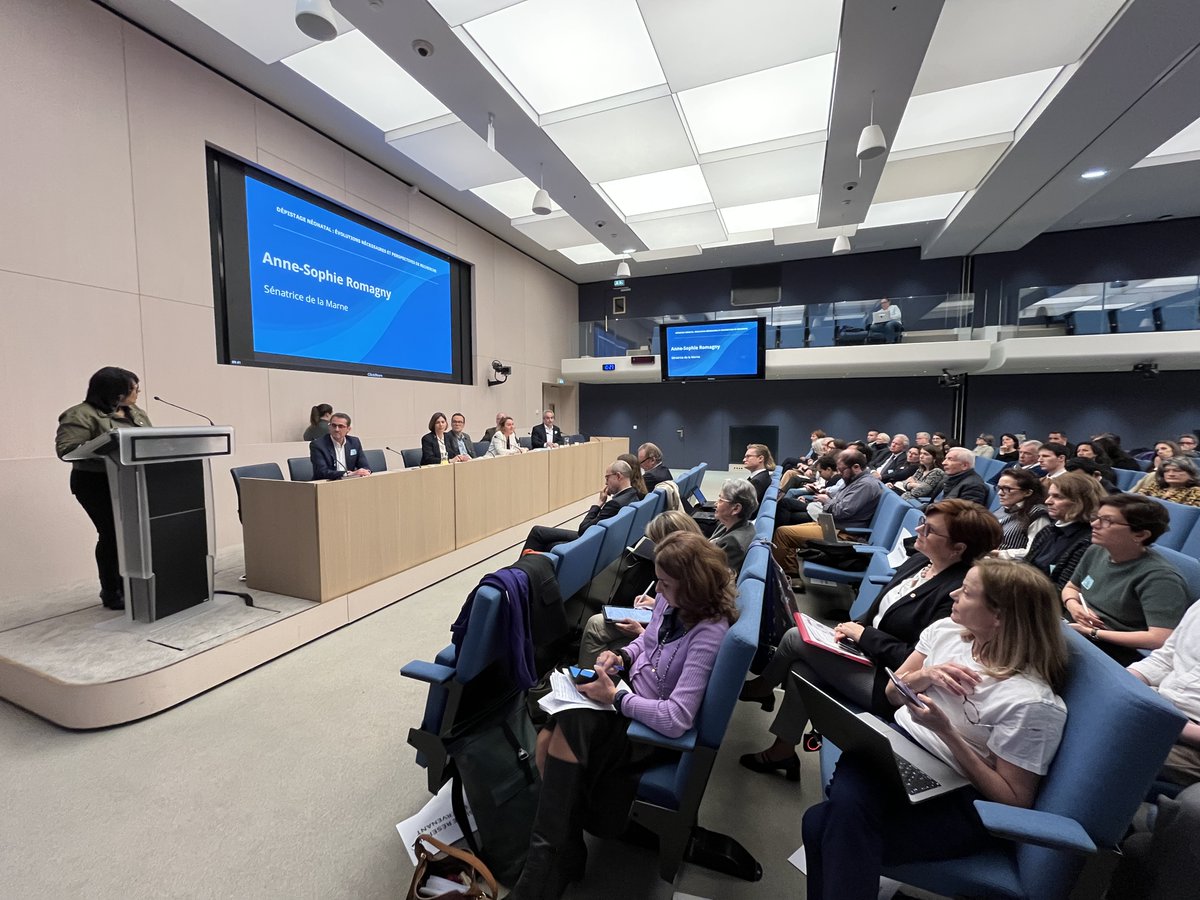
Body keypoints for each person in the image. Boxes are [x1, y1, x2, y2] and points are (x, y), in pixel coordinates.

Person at [801, 558, 1070, 900]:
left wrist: (947, 732)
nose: (954, 593)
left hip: (957, 794)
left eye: (968, 592)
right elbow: (891, 694)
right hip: (894, 747)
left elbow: (1013, 799)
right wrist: (924, 676)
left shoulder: (1032, 702)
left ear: (999, 617)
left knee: (820, 824)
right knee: (833, 821)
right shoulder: (946, 632)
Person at [511, 531, 738, 899]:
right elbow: (646, 644)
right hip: (629, 702)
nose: (658, 593)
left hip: (649, 732)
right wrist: (622, 658)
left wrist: (615, 697)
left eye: (665, 583)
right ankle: (562, 853)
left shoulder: (709, 632)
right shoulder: (671, 604)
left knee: (568, 724)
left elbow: (677, 718)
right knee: (547, 736)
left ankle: (542, 874)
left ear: (694, 585)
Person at [739, 499, 1001, 779]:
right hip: (863, 654)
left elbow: (917, 657)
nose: (918, 529)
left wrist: (864, 634)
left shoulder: (956, 595)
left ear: (958, 548)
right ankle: (783, 751)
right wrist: (854, 625)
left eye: (930, 530)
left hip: (891, 682)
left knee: (795, 639)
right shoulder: (919, 562)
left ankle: (762, 688)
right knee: (803, 670)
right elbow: (879, 608)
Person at [55, 366, 153, 610]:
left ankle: (135, 585)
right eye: (133, 389)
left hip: (132, 480)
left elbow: (150, 439)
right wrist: (109, 450)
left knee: (135, 535)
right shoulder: (79, 414)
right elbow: (67, 451)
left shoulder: (135, 412)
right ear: (116, 392)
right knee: (111, 534)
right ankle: (112, 591)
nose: (137, 393)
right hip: (96, 483)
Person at [1061, 493, 1190, 665]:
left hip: (1110, 648)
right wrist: (1074, 605)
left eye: (1107, 521)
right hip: (1075, 627)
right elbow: (1071, 587)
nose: (1094, 524)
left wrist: (1091, 632)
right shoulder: (1097, 550)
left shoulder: (1161, 578)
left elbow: (1160, 638)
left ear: (1140, 535)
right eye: (1096, 517)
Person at [576, 511, 702, 667]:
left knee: (596, 626)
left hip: (652, 644)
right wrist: (654, 604)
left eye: (656, 544)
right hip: (653, 631)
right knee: (596, 624)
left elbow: (670, 649)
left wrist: (640, 632)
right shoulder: (682, 574)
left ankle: (590, 681)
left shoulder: (694, 594)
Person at [771, 450, 884, 576]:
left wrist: (826, 501)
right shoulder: (854, 481)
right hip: (831, 524)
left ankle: (785, 576)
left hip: (842, 533)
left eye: (842, 470)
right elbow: (838, 503)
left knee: (783, 534)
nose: (840, 474)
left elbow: (840, 511)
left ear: (856, 467)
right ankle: (790, 573)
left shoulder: (865, 485)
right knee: (784, 529)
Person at [1128, 600, 1200, 787]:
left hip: (1191, 741)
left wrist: (1178, 726)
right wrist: (1122, 683)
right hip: (1160, 707)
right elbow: (1165, 659)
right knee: (1084, 717)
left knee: (1116, 745)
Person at [521, 460, 639, 553]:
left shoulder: (615, 504)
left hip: (593, 542)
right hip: (605, 540)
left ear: (618, 476)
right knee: (540, 533)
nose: (606, 483)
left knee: (538, 534)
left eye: (607, 478)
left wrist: (598, 503)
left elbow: (583, 529)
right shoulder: (633, 494)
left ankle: (517, 573)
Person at [1023, 471, 1107, 589]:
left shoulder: (1089, 541)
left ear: (1081, 502)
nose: (1048, 501)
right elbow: (1025, 567)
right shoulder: (1048, 529)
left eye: (1058, 497)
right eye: (1050, 495)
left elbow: (1062, 589)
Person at [993, 467, 1049, 556]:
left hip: (1008, 566)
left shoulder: (1037, 514)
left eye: (1007, 489)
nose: (1000, 493)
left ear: (1028, 493)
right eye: (999, 488)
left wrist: (997, 554)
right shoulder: (1005, 507)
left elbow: (1033, 551)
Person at [710, 479, 758, 573]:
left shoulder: (733, 543)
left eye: (720, 500)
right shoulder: (726, 525)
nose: (715, 504)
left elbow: (715, 577)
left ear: (736, 508)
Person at [310, 412, 370, 480]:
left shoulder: (354, 442)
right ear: (329, 427)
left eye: (341, 426)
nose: (336, 429)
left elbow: (365, 466)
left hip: (349, 482)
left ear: (348, 429)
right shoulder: (318, 445)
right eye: (334, 425)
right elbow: (321, 472)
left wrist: (365, 472)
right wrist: (347, 474)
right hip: (327, 483)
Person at [1134, 457, 1200, 506]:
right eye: (1166, 471)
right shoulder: (1156, 485)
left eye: (1177, 470)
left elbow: (1185, 515)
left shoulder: (1196, 492)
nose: (1171, 474)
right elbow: (1137, 501)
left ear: (1191, 473)